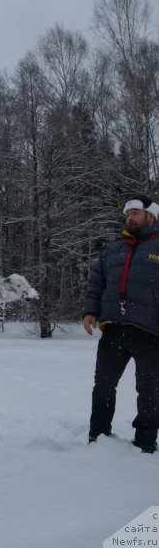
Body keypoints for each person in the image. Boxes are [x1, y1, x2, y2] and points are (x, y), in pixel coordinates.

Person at [83, 194, 159, 453]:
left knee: (149, 390)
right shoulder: (114, 249)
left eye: (135, 213)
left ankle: (145, 443)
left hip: (150, 332)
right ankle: (99, 436)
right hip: (113, 329)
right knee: (103, 386)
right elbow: (96, 282)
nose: (129, 218)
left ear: (151, 216)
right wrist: (90, 311)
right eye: (127, 214)